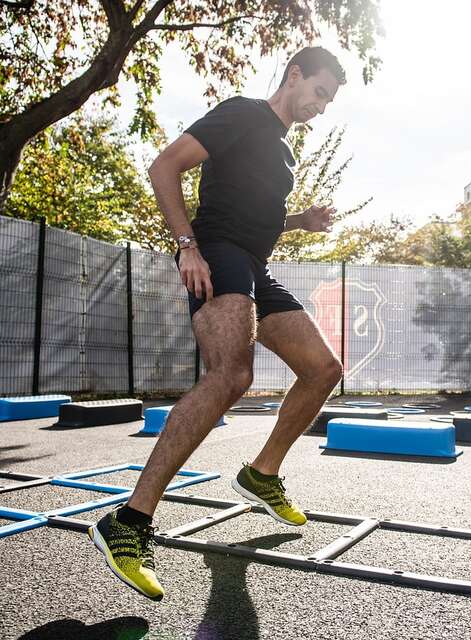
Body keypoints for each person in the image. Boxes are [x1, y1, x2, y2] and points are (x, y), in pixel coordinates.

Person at [88, 46, 346, 601]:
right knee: (230, 376)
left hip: (255, 265)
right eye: (320, 92)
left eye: (330, 100)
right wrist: (187, 247)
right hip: (218, 254)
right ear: (294, 75)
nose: (323, 106)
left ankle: (261, 473)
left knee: (323, 368)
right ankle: (129, 523)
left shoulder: (282, 152)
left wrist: (302, 221)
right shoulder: (244, 112)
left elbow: (260, 217)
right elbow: (164, 165)